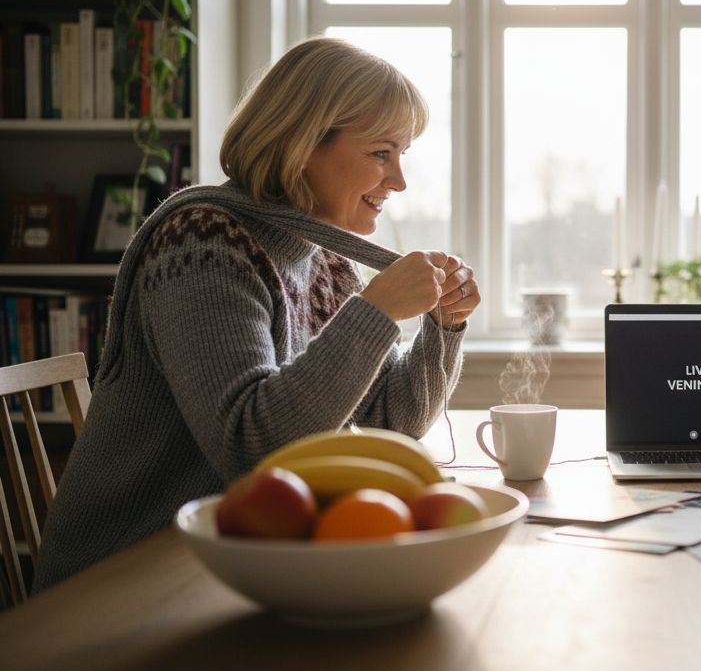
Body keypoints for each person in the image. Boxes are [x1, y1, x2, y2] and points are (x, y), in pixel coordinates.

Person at [33, 37, 479, 590]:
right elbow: (252, 447)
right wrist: (378, 310)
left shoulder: (324, 259)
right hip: (124, 575)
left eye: (402, 155)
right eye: (381, 154)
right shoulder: (201, 241)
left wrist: (443, 327)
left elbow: (392, 422)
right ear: (302, 143)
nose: (399, 181)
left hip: (229, 561)